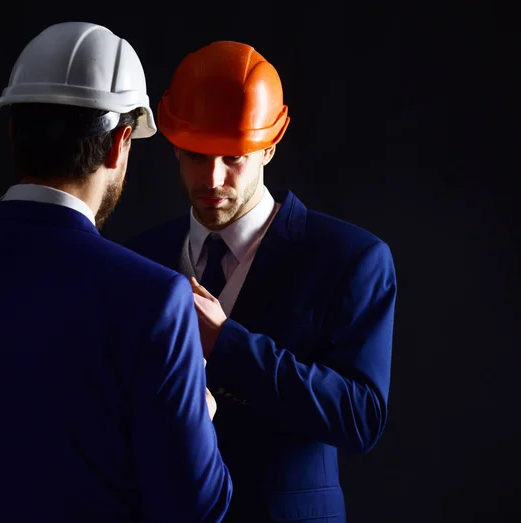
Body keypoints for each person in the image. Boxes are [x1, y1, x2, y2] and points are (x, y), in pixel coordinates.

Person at [0, 22, 232, 523]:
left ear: (12, 132)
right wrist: (200, 412)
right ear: (120, 143)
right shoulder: (155, 300)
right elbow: (195, 509)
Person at [125, 40, 397, 523]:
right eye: (194, 156)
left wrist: (226, 343)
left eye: (233, 158)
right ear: (172, 146)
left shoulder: (351, 258)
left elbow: (361, 418)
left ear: (270, 146)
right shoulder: (138, 257)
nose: (212, 178)